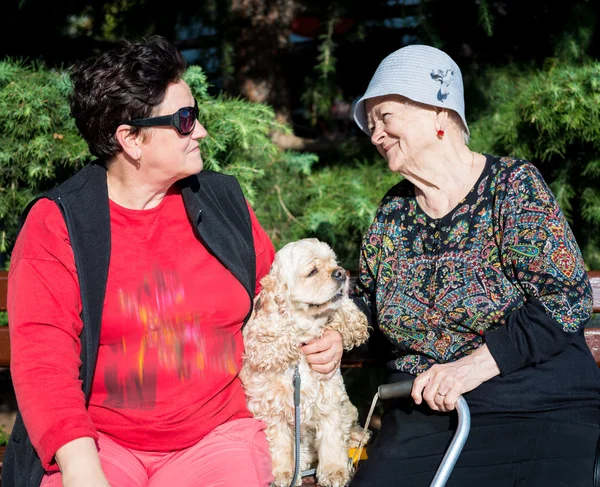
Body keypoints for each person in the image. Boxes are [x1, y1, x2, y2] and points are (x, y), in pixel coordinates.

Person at [5, 35, 343, 487]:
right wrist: (83, 470)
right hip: (101, 442)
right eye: (185, 120)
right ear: (131, 140)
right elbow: (43, 363)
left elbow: (279, 292)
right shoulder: (60, 223)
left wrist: (331, 336)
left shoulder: (221, 200)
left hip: (218, 437)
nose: (200, 131)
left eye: (196, 115)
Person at [349, 44, 600, 486]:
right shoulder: (392, 214)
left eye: (384, 117)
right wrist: (337, 333)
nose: (375, 135)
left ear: (439, 113)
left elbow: (565, 298)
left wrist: (474, 366)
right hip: (426, 419)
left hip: (534, 404)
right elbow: (367, 304)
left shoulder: (511, 187)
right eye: (371, 125)